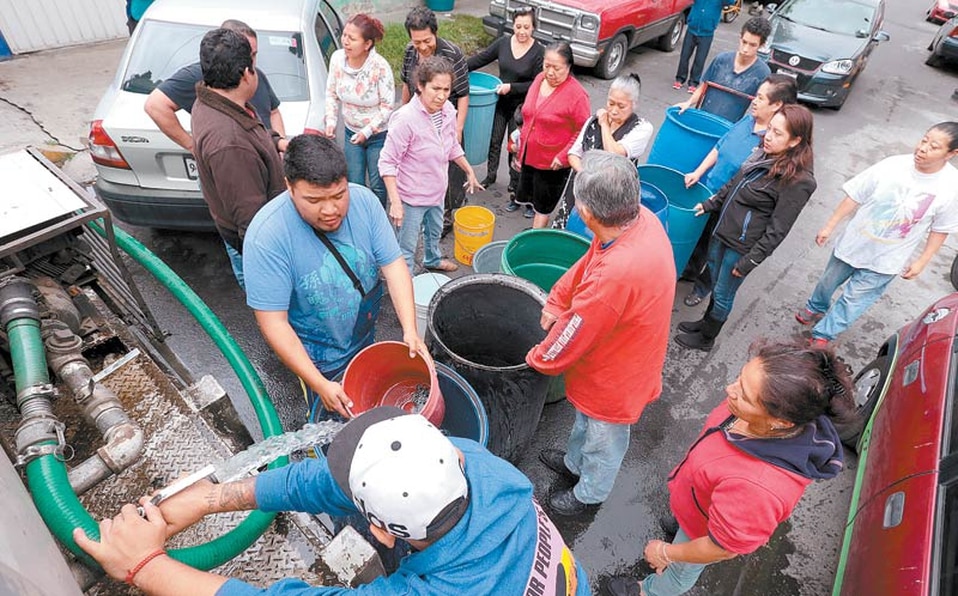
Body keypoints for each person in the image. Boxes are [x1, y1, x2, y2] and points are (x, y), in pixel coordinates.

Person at [74, 407, 591, 595]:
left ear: (383, 535)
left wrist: (142, 565)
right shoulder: (472, 462)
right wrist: (211, 498)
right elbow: (326, 482)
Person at [606, 341, 853, 596]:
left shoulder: (758, 488)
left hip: (702, 533)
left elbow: (721, 547)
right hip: (698, 507)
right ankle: (682, 525)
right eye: (739, 378)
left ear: (780, 421)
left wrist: (665, 552)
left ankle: (649, 591)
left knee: (681, 571)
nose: (729, 389)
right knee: (683, 531)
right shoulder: (754, 415)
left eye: (744, 394)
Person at [527, 151, 675, 516]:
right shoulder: (638, 222)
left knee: (604, 437)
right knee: (586, 422)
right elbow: (590, 260)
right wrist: (558, 299)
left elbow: (574, 333)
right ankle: (575, 465)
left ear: (587, 214)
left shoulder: (618, 274)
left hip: (619, 374)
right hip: (617, 350)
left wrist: (536, 359)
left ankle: (589, 494)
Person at [242, 135, 423, 420]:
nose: (330, 210)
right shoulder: (266, 237)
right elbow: (273, 322)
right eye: (314, 200)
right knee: (328, 417)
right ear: (289, 187)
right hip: (316, 355)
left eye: (338, 195)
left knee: (368, 398)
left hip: (362, 331)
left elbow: (394, 265)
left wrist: (410, 330)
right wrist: (318, 383)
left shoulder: (364, 202)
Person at [796, 122, 958, 346]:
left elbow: (941, 228)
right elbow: (856, 194)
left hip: (887, 259)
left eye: (934, 146)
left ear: (951, 153)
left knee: (854, 300)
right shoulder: (893, 165)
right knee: (827, 282)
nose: (923, 148)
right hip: (855, 242)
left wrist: (922, 261)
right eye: (924, 140)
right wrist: (830, 225)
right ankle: (816, 306)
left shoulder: (951, 187)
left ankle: (824, 333)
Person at [675, 104, 816, 352]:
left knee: (724, 293)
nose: (769, 136)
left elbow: (778, 230)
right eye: (770, 129)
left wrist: (750, 261)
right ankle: (704, 323)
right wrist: (711, 204)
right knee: (716, 282)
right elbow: (735, 183)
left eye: (778, 133)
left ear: (795, 141)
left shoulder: (798, 181)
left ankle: (707, 338)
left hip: (740, 248)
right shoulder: (764, 152)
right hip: (724, 233)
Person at [680, 74, 798, 307]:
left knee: (715, 252)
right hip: (710, 192)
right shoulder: (747, 121)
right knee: (700, 238)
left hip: (731, 207)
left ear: (777, 105)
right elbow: (720, 146)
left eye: (761, 98)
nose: (754, 101)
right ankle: (690, 270)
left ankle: (703, 287)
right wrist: (698, 171)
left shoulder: (771, 143)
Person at [190, 28, 286, 289]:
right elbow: (252, 221)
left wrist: (276, 142)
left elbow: (252, 131)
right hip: (260, 248)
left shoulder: (213, 100)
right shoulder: (229, 143)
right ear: (246, 73)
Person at [380, 56, 483, 274]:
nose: (442, 95)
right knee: (405, 248)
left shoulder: (447, 111)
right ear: (420, 85)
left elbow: (451, 146)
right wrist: (396, 202)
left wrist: (469, 170)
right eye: (435, 88)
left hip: (436, 192)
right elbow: (387, 162)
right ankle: (406, 287)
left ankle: (432, 259)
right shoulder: (405, 119)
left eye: (446, 89)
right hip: (411, 198)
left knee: (434, 233)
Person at [144, 20, 286, 154]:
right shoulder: (202, 76)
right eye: (245, 54)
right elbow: (155, 105)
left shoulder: (256, 75)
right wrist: (193, 146)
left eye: (254, 55)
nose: (251, 62)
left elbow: (273, 112)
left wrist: (279, 147)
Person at [399, 7, 471, 236]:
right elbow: (405, 85)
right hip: (418, 122)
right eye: (416, 41)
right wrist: (402, 114)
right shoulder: (410, 52)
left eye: (426, 40)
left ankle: (446, 216)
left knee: (450, 174)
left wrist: (458, 129)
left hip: (445, 124)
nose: (422, 46)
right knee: (420, 169)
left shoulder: (452, 53)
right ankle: (422, 211)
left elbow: (463, 94)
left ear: (435, 33)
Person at [554, 73, 653, 228]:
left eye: (621, 106)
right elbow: (574, 153)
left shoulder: (641, 128)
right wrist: (586, 177)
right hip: (579, 191)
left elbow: (614, 153)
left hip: (609, 198)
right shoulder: (593, 122)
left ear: (634, 104)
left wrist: (604, 125)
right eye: (611, 103)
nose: (613, 111)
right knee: (569, 229)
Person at [466, 7, 545, 191]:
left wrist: (512, 88)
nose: (522, 32)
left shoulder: (539, 51)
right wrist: (457, 67)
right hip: (500, 102)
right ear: (513, 25)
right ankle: (490, 176)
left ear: (533, 27)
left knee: (514, 145)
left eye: (526, 27)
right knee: (494, 140)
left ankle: (514, 182)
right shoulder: (503, 43)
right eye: (518, 27)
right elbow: (481, 59)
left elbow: (537, 84)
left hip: (521, 108)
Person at [515, 42, 590, 226]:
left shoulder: (577, 95)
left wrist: (564, 156)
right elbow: (529, 114)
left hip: (552, 164)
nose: (550, 72)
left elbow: (583, 130)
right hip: (529, 156)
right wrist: (520, 137)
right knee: (531, 200)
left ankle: (534, 242)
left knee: (542, 208)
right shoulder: (539, 79)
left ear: (569, 66)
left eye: (557, 68)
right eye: (547, 66)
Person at [324, 13, 393, 208]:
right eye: (344, 35)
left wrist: (367, 131)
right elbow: (331, 93)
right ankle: (357, 217)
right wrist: (331, 121)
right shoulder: (337, 59)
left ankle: (376, 216)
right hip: (350, 132)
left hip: (377, 135)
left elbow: (388, 107)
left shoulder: (380, 67)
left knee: (378, 185)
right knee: (354, 183)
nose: (345, 41)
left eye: (352, 38)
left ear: (367, 44)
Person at [675, 16, 772, 124]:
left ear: (761, 45)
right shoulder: (721, 60)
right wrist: (688, 103)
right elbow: (703, 87)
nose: (745, 49)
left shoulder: (763, 73)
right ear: (740, 38)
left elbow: (761, 109)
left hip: (728, 129)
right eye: (744, 42)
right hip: (702, 120)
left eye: (752, 45)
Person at [673, 0, 736, 94]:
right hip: (692, 29)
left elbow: (730, 2)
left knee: (700, 59)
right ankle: (680, 78)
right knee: (684, 55)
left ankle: (694, 82)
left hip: (707, 33)